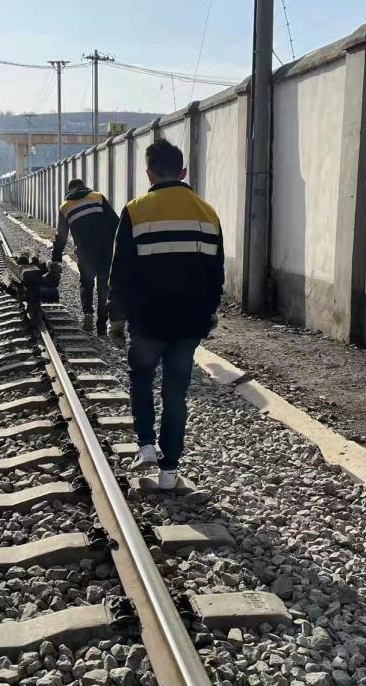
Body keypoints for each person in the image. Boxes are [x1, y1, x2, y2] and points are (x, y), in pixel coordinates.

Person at [107, 140, 224, 489]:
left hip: (147, 318)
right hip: (189, 320)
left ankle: (145, 444)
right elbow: (215, 272)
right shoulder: (207, 212)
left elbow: (120, 270)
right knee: (175, 392)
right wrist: (210, 311)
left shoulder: (135, 210)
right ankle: (169, 471)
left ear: (149, 173)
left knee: (141, 378)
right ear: (183, 172)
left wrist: (116, 316)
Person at [52, 178, 119, 334]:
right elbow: (116, 222)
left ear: (69, 191)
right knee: (104, 287)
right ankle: (101, 326)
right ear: (84, 187)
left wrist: (56, 258)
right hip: (105, 250)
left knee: (86, 283)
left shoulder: (65, 206)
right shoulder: (98, 197)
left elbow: (61, 236)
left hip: (84, 252)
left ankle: (88, 312)